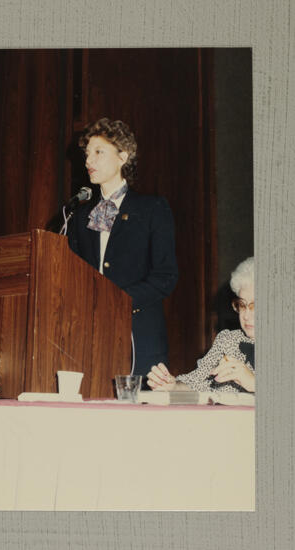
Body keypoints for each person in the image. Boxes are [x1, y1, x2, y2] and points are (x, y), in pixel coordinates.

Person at [67, 117, 178, 378]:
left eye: (98, 152)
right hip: (92, 338)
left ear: (123, 156)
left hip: (139, 339)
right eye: (87, 154)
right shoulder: (81, 216)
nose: (88, 161)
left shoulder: (152, 209)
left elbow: (165, 277)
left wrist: (117, 301)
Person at [147, 256, 255, 393]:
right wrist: (173, 387)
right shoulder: (228, 340)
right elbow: (197, 383)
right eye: (241, 305)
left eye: (254, 306)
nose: (245, 315)